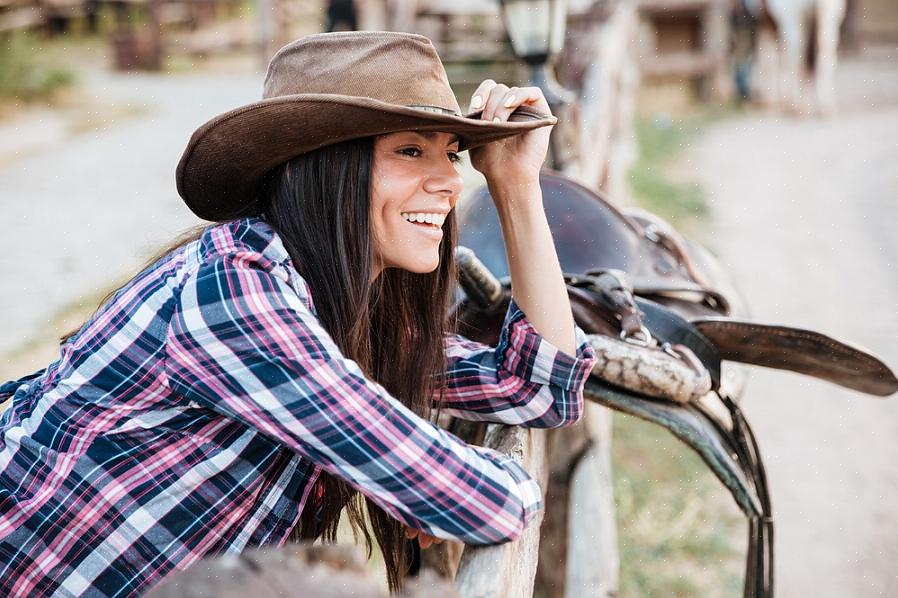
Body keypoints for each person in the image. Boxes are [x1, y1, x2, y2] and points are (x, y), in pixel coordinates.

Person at [0, 31, 597, 596]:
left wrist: (516, 185)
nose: (447, 179)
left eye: (452, 153)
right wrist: (448, 480)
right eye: (410, 150)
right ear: (324, 168)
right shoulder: (237, 296)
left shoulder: (340, 308)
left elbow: (539, 387)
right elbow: (478, 500)